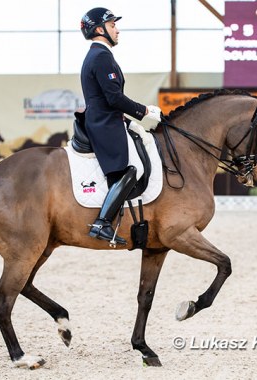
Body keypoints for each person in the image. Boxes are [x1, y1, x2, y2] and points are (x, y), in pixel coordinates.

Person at [80, 7, 162, 245]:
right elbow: (114, 98)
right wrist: (144, 111)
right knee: (131, 167)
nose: (117, 30)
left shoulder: (99, 55)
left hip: (107, 118)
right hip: (104, 121)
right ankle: (102, 222)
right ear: (99, 29)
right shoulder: (101, 56)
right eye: (113, 25)